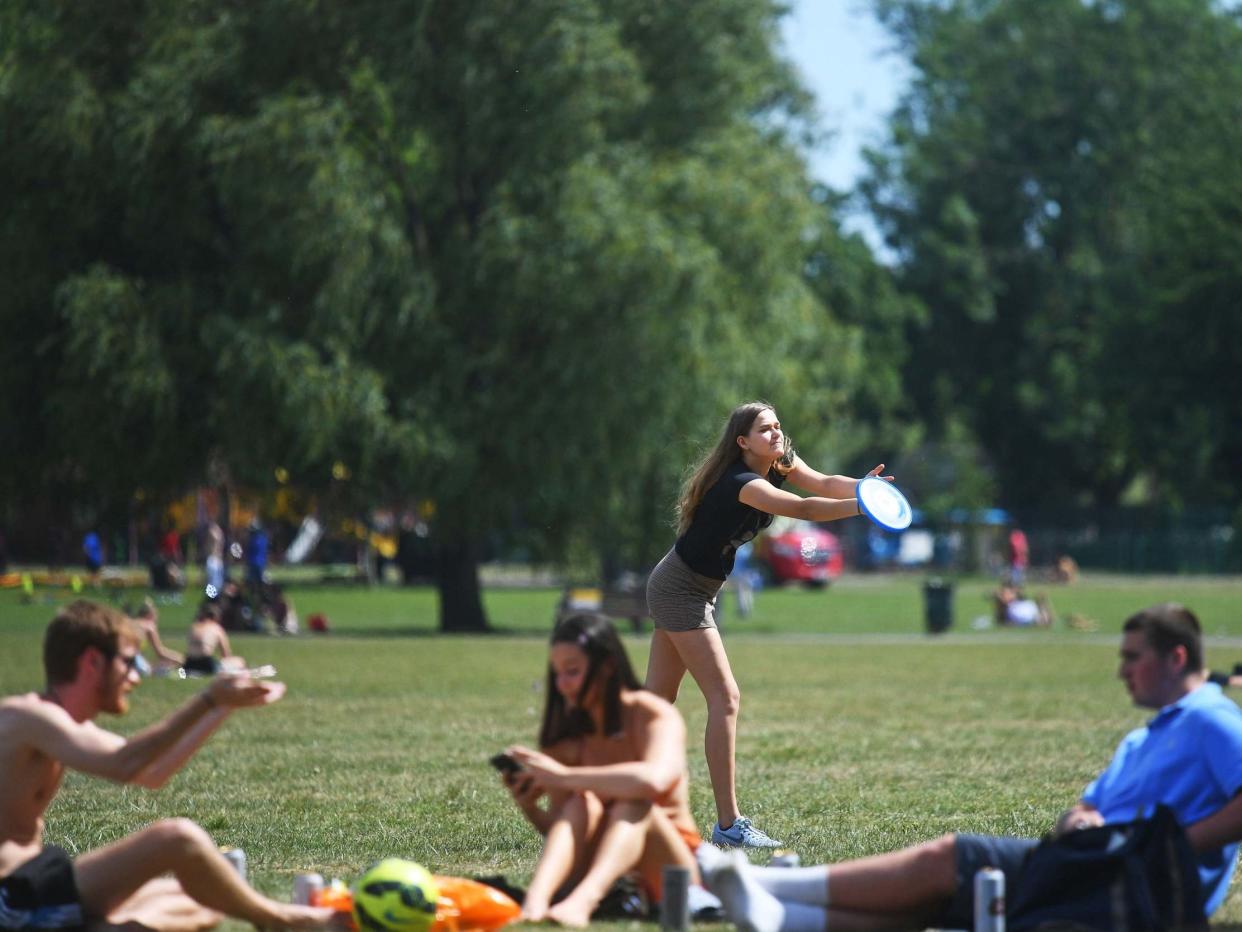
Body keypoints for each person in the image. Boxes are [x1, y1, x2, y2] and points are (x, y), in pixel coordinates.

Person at [698, 602, 1242, 932]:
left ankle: (760, 882)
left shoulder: (1209, 718)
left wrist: (1172, 844)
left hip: (1138, 881)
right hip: (1093, 860)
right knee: (931, 902)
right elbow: (1093, 802)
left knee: (949, 858)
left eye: (1132, 658)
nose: (1121, 671)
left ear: (1175, 659)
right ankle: (774, 915)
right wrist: (1080, 815)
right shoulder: (1149, 733)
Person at [0, 600, 337, 930]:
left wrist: (222, 707)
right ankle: (284, 920)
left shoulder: (57, 724)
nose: (136, 676)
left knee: (205, 899)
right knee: (176, 838)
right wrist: (206, 699)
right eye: (129, 662)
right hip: (12, 899)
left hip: (38, 889)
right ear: (92, 662)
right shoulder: (28, 718)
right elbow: (125, 763)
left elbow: (152, 773)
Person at [645, 401, 890, 848]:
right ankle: (728, 826)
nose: (776, 434)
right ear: (743, 442)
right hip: (679, 590)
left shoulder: (778, 462)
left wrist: (865, 488)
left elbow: (822, 483)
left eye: (778, 426)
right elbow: (810, 509)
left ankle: (613, 798)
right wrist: (862, 508)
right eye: (765, 429)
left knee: (655, 704)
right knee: (725, 697)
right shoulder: (743, 483)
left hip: (692, 587)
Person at [500, 614, 703, 928]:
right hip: (604, 867)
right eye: (557, 673)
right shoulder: (567, 737)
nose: (562, 684)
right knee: (580, 803)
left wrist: (563, 777)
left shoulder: (651, 714)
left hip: (670, 872)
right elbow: (563, 829)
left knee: (635, 802)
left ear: (607, 666)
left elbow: (653, 780)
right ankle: (536, 902)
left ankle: (583, 902)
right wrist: (530, 808)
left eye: (573, 671)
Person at [185, 602, 244, 676]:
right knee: (239, 661)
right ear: (215, 617)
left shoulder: (194, 627)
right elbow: (226, 654)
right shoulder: (216, 628)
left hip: (188, 663)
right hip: (206, 664)